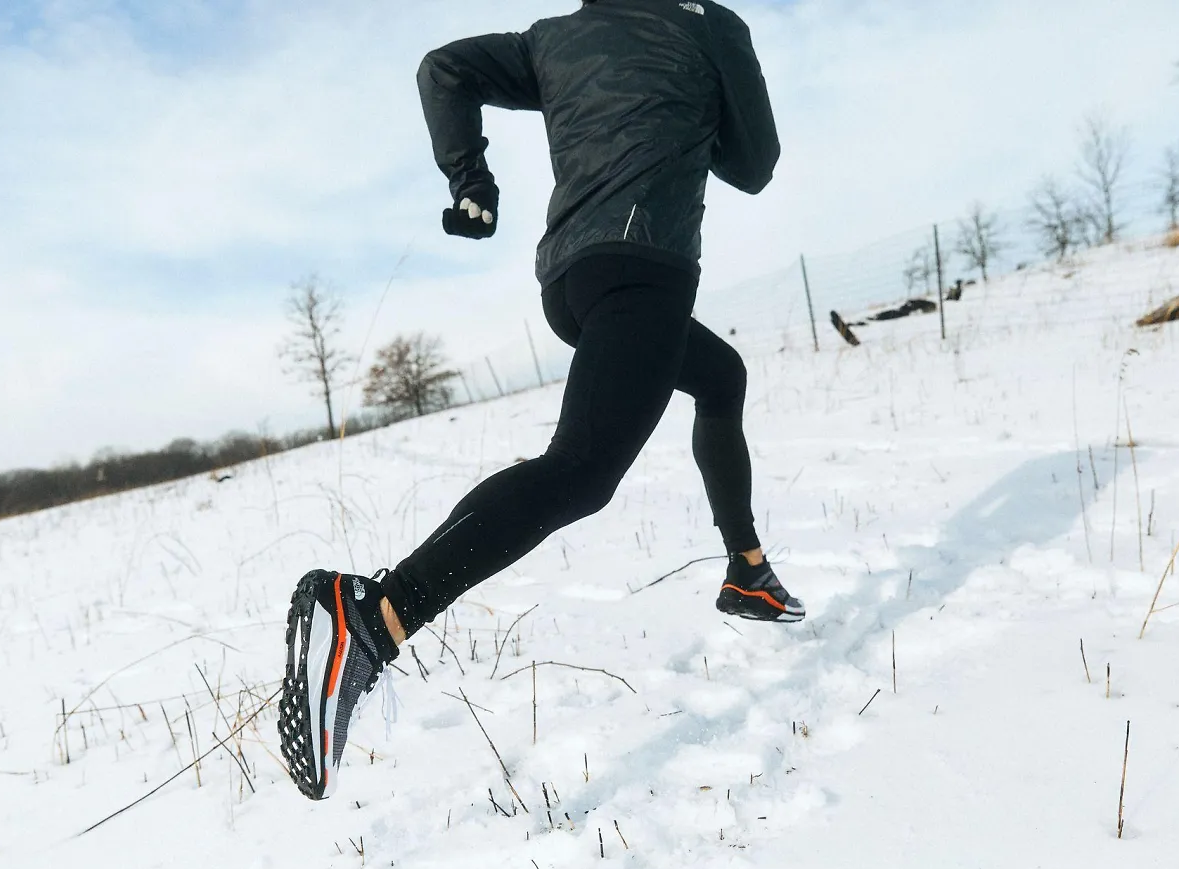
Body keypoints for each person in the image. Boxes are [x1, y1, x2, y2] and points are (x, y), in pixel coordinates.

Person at [277, 0, 803, 801]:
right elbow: (754, 165)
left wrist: (472, 181)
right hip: (645, 269)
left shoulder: (552, 39)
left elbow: (443, 68)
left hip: (572, 282)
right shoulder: (705, 27)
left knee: (720, 378)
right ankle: (375, 616)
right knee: (583, 473)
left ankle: (748, 571)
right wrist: (722, 49)